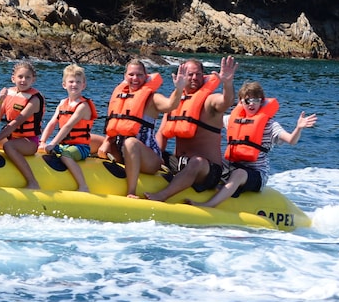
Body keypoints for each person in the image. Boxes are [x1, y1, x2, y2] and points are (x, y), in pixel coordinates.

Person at [187, 81, 317, 207]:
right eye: (247, 100)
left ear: (261, 102)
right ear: (241, 102)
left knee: (238, 174)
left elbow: (291, 140)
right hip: (230, 166)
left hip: (256, 174)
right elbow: (209, 123)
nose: (251, 104)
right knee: (209, 159)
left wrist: (298, 128)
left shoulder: (270, 125)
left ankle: (210, 204)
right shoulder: (232, 119)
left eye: (256, 100)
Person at [144, 56, 237, 202]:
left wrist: (227, 83)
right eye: (190, 74)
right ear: (182, 76)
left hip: (207, 170)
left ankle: (162, 195)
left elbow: (226, 101)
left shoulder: (209, 101)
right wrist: (154, 157)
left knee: (196, 162)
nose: (194, 78)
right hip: (179, 162)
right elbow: (162, 134)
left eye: (198, 74)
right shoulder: (175, 102)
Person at [97, 59, 188, 198]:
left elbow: (170, 105)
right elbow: (112, 127)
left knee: (131, 142)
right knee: (89, 139)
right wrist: (107, 142)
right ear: (125, 76)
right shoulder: (121, 97)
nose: (135, 78)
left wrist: (179, 88)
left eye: (139, 75)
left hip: (148, 159)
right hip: (120, 150)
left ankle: (131, 191)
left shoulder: (153, 98)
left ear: (146, 76)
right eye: (131, 74)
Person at [0, 61, 45, 189]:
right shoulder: (9, 93)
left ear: (33, 80)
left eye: (27, 77)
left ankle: (32, 181)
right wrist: (0, 100)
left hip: (29, 142)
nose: (23, 80)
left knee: (8, 146)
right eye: (20, 77)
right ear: (13, 78)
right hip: (11, 137)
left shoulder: (35, 99)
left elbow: (15, 123)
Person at [38, 64, 98, 193]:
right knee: (41, 150)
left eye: (78, 82)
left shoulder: (83, 106)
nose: (74, 84)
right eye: (71, 81)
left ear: (83, 85)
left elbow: (68, 126)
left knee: (66, 156)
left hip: (81, 147)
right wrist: (42, 142)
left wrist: (53, 143)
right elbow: (52, 123)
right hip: (64, 144)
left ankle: (83, 186)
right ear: (64, 84)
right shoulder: (62, 103)